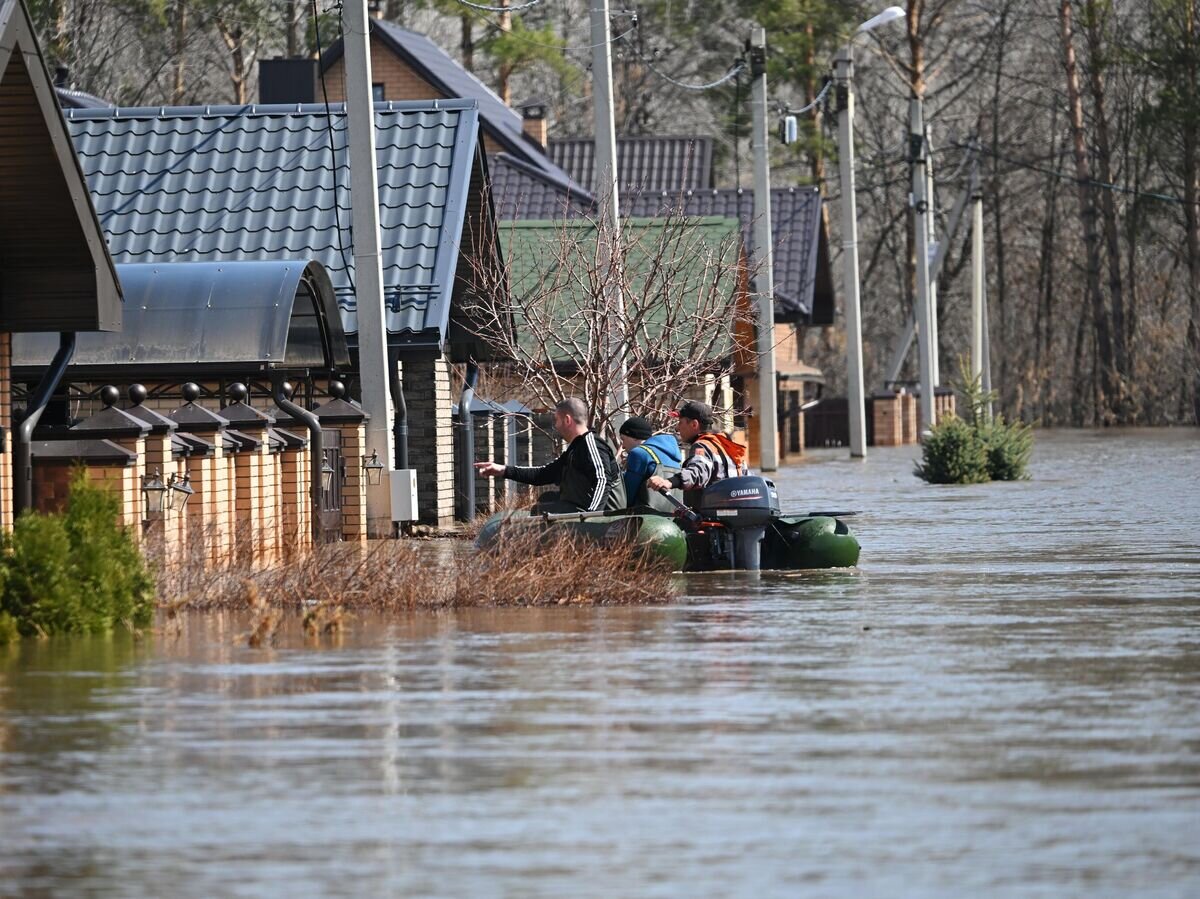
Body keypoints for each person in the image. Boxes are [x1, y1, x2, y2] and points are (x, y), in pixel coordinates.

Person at [474, 397, 625, 513]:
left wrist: (590, 517)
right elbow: (543, 474)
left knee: (540, 510)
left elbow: (602, 480)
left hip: (604, 517)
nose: (555, 426)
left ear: (567, 420)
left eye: (556, 420)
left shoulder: (592, 445)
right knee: (546, 500)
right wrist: (503, 470)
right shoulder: (576, 448)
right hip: (583, 509)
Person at [647, 400, 748, 505]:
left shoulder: (702, 446)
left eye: (680, 422)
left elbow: (698, 471)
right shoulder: (727, 447)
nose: (677, 428)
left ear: (694, 424)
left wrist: (669, 482)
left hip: (710, 513)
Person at [617, 415, 683, 512]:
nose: (622, 446)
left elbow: (626, 496)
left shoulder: (639, 454)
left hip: (645, 517)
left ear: (634, 437)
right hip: (673, 517)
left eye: (623, 439)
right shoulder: (675, 457)